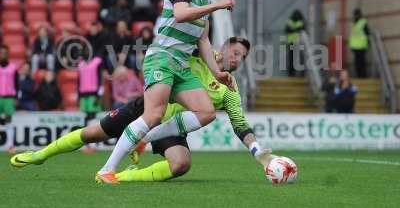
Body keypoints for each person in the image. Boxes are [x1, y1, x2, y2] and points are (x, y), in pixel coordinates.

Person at [10, 37, 274, 183]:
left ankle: (123, 176)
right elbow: (176, 40)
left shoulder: (230, 89)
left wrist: (257, 151)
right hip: (149, 106)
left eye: (243, 57)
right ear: (224, 48)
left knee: (181, 164)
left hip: (172, 127)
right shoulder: (199, 55)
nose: (237, 59)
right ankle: (40, 154)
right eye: (235, 52)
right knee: (92, 134)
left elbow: (240, 124)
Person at [95, 0, 238, 183]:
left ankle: (143, 139)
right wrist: (218, 6)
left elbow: (202, 39)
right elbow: (181, 14)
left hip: (181, 65)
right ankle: (106, 170)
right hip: (162, 57)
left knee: (206, 112)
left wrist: (217, 72)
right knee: (154, 113)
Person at [78, 54, 104, 151]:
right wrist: (78, 95)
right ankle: (86, 141)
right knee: (87, 117)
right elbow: (79, 80)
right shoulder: (80, 64)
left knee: (93, 116)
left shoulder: (97, 62)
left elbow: (100, 77)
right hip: (84, 94)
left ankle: (94, 142)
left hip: (94, 94)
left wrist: (100, 93)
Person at [0, 45, 18, 154]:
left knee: (8, 120)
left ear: (7, 54)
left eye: (4, 52)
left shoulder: (13, 67)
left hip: (8, 97)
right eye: (1, 52)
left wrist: (16, 97)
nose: (3, 54)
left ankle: (10, 145)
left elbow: (17, 83)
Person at [349, 8, 369, 78]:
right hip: (355, 47)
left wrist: (368, 43)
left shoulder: (363, 22)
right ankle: (359, 75)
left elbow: (367, 33)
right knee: (357, 63)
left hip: (361, 46)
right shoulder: (354, 23)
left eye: (356, 14)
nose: (355, 16)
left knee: (361, 62)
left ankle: (363, 76)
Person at [285, 9, 306, 77]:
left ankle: (291, 74)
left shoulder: (290, 21)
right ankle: (301, 74)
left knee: (292, 60)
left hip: (292, 43)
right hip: (299, 43)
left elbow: (287, 30)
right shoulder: (301, 21)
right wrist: (296, 30)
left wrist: (293, 30)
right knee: (300, 60)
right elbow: (302, 29)